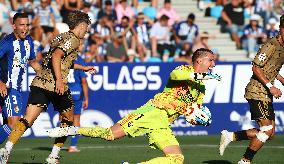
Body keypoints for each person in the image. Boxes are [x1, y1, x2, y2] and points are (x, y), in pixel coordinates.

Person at [48, 48, 222, 163]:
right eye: (210, 60)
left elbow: (193, 110)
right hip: (151, 112)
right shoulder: (183, 70)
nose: (213, 64)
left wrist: (197, 117)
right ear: (199, 61)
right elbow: (178, 76)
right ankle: (71, 130)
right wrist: (203, 77)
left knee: (176, 158)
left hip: (163, 124)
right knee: (110, 135)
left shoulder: (201, 89)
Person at [0, 10, 95, 164]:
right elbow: (57, 56)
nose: (86, 31)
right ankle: (54, 156)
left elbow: (53, 60)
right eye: (86, 27)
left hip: (40, 83)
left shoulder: (59, 37)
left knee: (26, 120)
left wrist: (81, 68)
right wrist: (58, 80)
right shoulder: (73, 40)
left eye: (27, 25)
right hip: (55, 85)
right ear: (81, 25)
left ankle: (7, 149)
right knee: (68, 120)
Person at [219, 14, 284, 164]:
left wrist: (280, 79)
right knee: (267, 130)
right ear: (281, 29)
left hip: (265, 93)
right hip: (257, 90)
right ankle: (245, 161)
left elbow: (271, 68)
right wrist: (271, 86)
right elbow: (256, 67)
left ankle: (230, 136)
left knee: (270, 133)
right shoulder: (271, 45)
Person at [0, 12, 42, 144]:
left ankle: (3, 157)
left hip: (15, 89)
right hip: (6, 88)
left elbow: (33, 62)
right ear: (14, 26)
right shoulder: (6, 43)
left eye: (27, 25)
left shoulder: (29, 41)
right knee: (14, 124)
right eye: (21, 25)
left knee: (10, 125)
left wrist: (45, 75)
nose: (25, 28)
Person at [67, 44, 89, 153]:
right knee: (76, 120)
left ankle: (57, 145)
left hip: (64, 94)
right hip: (76, 93)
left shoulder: (63, 58)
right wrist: (86, 98)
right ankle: (73, 146)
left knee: (63, 120)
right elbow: (84, 81)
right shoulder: (79, 60)